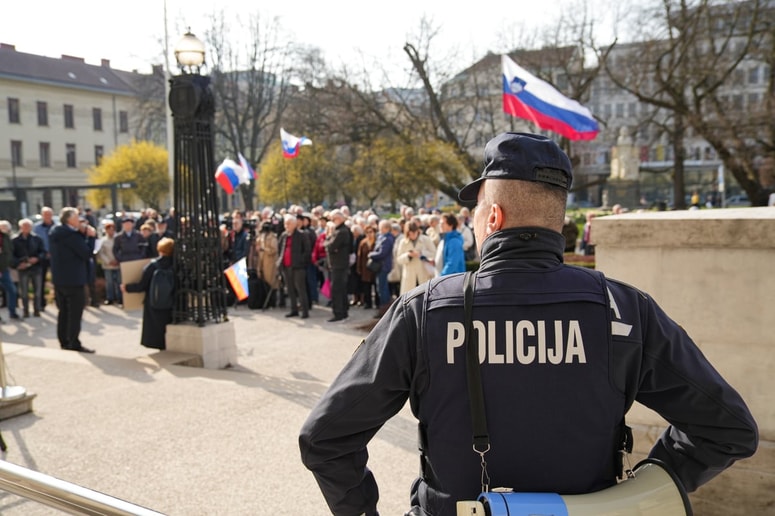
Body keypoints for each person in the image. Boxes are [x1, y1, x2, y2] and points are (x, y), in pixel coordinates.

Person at [299, 132, 758, 516]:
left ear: (493, 217)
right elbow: (728, 427)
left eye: (476, 210)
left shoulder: (424, 311)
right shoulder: (623, 309)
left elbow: (324, 438)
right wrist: (641, 491)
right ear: (556, 221)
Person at [49, 207, 96, 353]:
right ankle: (73, 343)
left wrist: (80, 234)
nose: (79, 220)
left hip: (59, 279)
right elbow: (86, 253)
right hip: (74, 280)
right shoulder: (71, 236)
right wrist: (91, 237)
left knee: (63, 312)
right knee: (75, 313)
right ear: (69, 219)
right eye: (76, 217)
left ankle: (64, 341)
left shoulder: (55, 232)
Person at [121, 238, 174, 350]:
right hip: (172, 301)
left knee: (156, 330)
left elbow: (142, 286)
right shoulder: (176, 265)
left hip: (154, 302)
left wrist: (127, 288)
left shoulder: (152, 266)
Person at [277, 214, 310, 319]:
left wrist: (301, 261)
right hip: (286, 266)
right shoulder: (284, 235)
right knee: (290, 289)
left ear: (295, 224)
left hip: (298, 267)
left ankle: (305, 311)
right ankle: (293, 310)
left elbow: (307, 250)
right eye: (285, 224)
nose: (286, 226)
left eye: (289, 224)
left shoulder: (302, 234)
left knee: (300, 289)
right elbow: (280, 248)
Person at [12, 218, 46, 317]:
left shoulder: (37, 239)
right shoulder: (14, 240)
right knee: (24, 292)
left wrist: (37, 258)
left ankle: (37, 309)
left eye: (29, 226)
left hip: (36, 268)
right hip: (23, 268)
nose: (27, 228)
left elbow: (43, 252)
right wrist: (18, 263)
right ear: (20, 227)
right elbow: (11, 255)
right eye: (25, 226)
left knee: (37, 291)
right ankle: (25, 310)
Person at [324, 210, 352, 322]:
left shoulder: (342, 232)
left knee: (337, 290)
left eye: (333, 219)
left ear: (339, 219)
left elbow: (330, 246)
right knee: (341, 289)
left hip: (339, 265)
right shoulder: (340, 230)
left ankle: (339, 313)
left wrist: (328, 243)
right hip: (338, 264)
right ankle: (343, 312)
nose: (332, 221)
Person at [396, 221, 436, 294]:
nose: (413, 236)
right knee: (409, 298)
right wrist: (408, 255)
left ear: (418, 231)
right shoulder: (403, 242)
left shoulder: (426, 239)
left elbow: (434, 253)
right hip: (409, 276)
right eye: (410, 234)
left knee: (425, 295)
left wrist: (421, 253)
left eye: (414, 233)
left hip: (424, 273)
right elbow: (399, 259)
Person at [367, 219, 395, 317]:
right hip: (380, 266)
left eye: (381, 227)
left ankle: (385, 310)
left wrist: (371, 254)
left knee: (383, 289)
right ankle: (384, 309)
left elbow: (382, 253)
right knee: (380, 288)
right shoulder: (382, 237)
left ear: (386, 228)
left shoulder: (387, 239)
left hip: (383, 266)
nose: (379, 229)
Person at [33, 206, 56, 311]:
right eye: (45, 214)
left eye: (49, 214)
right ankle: (41, 304)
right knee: (40, 280)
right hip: (42, 257)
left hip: (56, 256)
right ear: (42, 216)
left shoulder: (57, 226)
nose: (47, 216)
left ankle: (58, 301)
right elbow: (34, 243)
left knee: (57, 280)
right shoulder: (36, 228)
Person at [96, 221, 122, 306]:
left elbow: (121, 250)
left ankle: (120, 298)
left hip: (117, 263)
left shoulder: (118, 238)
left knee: (119, 281)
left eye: (112, 229)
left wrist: (117, 260)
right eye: (109, 229)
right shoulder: (103, 241)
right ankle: (110, 298)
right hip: (108, 264)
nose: (111, 231)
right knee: (109, 282)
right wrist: (108, 261)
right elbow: (101, 253)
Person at [0, 221, 19, 320]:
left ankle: (12, 312)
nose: (4, 229)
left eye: (5, 227)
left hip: (4, 269)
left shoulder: (6, 237)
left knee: (12, 290)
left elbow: (9, 253)